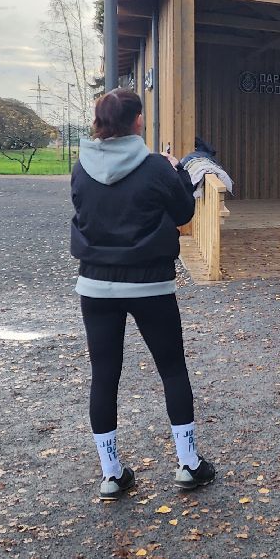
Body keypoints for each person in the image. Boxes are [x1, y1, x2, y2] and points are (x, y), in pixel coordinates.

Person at [71, 88, 215, 501]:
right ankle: (188, 464)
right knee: (171, 368)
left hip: (96, 285)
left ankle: (111, 473)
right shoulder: (154, 166)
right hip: (150, 283)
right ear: (137, 121)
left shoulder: (81, 165)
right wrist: (175, 172)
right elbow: (185, 212)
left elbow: (85, 208)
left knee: (104, 375)